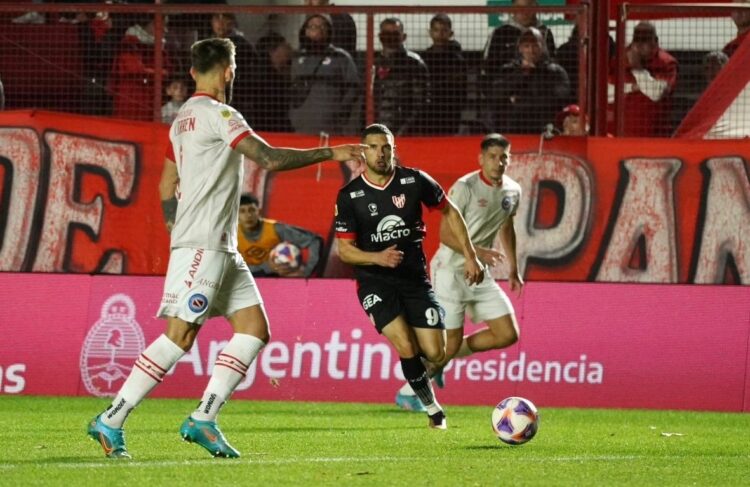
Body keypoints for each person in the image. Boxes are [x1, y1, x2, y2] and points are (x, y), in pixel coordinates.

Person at [86, 37, 364, 460]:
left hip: (216, 245)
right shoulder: (221, 115)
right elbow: (268, 159)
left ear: (194, 72)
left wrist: (176, 229)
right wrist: (333, 151)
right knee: (180, 337)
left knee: (254, 330)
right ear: (230, 71)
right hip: (205, 246)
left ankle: (204, 418)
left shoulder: (181, 119)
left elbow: (165, 185)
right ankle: (112, 418)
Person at [334, 123, 484, 429]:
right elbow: (345, 251)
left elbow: (451, 212)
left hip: (415, 280)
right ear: (363, 152)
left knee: (437, 352)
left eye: (386, 147)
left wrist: (471, 255)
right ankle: (433, 410)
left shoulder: (413, 180)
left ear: (393, 149)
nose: (381, 153)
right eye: (374, 147)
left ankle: (419, 367)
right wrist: (377, 257)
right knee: (404, 345)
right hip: (375, 282)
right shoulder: (350, 196)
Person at [394, 133, 523, 411]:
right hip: (451, 271)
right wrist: (475, 254)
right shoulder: (465, 187)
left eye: (504, 157)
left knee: (507, 333)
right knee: (446, 344)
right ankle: (408, 392)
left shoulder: (512, 190)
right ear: (481, 158)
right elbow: (444, 234)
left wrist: (514, 267)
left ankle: (440, 363)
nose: (499, 162)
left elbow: (507, 226)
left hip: (479, 272)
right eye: (492, 156)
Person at [289, 14, 361, 135]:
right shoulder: (296, 58)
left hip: (331, 129)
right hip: (300, 128)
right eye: (312, 26)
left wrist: (341, 112)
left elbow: (354, 89)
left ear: (329, 31)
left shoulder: (341, 57)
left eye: (322, 26)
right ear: (305, 31)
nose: (317, 29)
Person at [491, 27, 569, 134]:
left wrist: (520, 101)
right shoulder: (508, 70)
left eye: (535, 46)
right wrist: (521, 74)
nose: (531, 50)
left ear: (542, 47)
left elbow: (558, 99)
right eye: (526, 46)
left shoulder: (555, 71)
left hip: (545, 127)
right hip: (513, 128)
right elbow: (496, 95)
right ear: (520, 48)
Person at [608, 22, 677, 137]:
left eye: (644, 40)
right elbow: (608, 91)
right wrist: (635, 86)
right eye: (637, 40)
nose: (639, 45)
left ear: (655, 41)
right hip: (622, 130)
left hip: (655, 132)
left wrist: (637, 68)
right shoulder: (621, 58)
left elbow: (657, 93)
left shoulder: (667, 63)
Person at [237, 193, 323, 278]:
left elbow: (314, 241)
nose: (248, 215)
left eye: (252, 210)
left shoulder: (276, 229)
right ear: (236, 214)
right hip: (248, 280)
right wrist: (268, 267)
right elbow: (233, 269)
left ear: (259, 211)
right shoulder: (232, 236)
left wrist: (307, 272)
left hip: (278, 280)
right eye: (242, 211)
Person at [373, 18, 430, 136]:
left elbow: (420, 103)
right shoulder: (373, 63)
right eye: (386, 34)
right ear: (380, 36)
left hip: (406, 133)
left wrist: (404, 132)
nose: (390, 38)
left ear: (403, 36)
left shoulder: (414, 63)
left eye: (395, 34)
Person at [109, 16, 171, 121]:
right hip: (132, 95)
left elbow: (167, 68)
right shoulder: (130, 42)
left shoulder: (159, 45)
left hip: (149, 95)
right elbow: (133, 67)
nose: (166, 29)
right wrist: (158, 72)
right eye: (163, 25)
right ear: (152, 25)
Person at [482, 0, 556, 84]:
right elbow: (488, 69)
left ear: (536, 7)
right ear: (512, 8)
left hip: (540, 90)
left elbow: (553, 66)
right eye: (519, 7)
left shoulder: (545, 32)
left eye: (528, 7)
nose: (524, 12)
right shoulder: (500, 32)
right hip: (507, 90)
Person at [420, 13, 467, 135]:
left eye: (444, 30)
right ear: (430, 32)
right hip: (428, 110)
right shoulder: (424, 57)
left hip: (450, 110)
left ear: (450, 33)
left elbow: (460, 87)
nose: (440, 34)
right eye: (436, 30)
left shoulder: (457, 59)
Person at [209, 13, 258, 117]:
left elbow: (251, 72)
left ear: (231, 23)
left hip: (238, 97)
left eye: (224, 19)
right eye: (217, 18)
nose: (220, 23)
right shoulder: (207, 43)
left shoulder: (242, 44)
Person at [251, 32, 293, 132]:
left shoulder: (282, 75)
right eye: (284, 46)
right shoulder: (266, 82)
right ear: (272, 51)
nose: (289, 49)